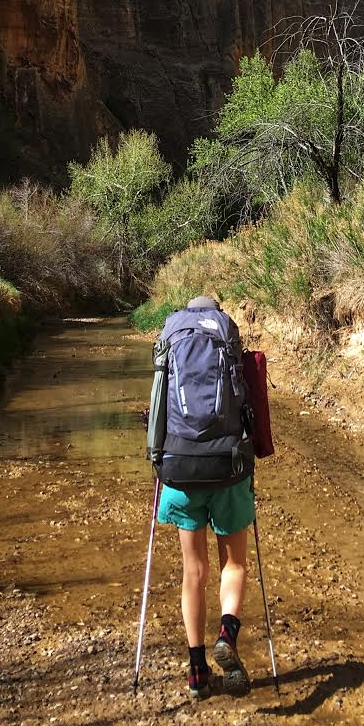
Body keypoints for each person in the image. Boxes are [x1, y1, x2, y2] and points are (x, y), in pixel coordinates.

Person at [155, 295, 253, 701]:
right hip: (226, 466)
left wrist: (156, 456)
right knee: (235, 562)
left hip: (180, 468)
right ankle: (227, 633)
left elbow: (160, 403)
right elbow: (246, 401)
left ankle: (197, 672)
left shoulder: (170, 334)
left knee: (193, 570)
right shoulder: (227, 332)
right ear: (216, 309)